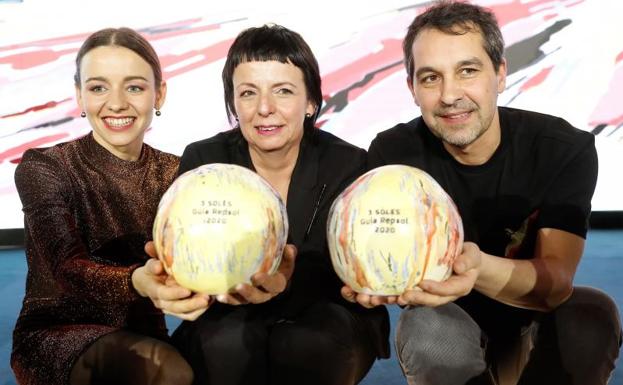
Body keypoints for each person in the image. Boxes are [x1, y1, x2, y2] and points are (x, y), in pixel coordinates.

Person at [341, 1, 622, 384]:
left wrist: (474, 268)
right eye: (430, 78)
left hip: (534, 327)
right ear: (412, 89)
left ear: (500, 74)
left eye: (467, 71)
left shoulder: (561, 148)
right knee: (427, 330)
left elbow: (555, 285)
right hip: (448, 324)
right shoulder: (394, 156)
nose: (449, 94)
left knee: (592, 312)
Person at [142, 24, 390, 385]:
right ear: (233, 103)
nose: (264, 109)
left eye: (283, 91)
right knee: (224, 344)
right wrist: (175, 270)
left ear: (310, 102)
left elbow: (350, 270)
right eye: (248, 93)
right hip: (231, 308)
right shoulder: (206, 160)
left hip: (327, 310)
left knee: (307, 345)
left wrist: (286, 281)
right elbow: (190, 254)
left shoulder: (349, 164)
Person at [11, 27, 194, 385]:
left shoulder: (177, 174)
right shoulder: (45, 166)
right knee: (166, 372)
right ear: (80, 96)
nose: (116, 103)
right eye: (98, 87)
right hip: (58, 334)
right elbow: (67, 268)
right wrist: (137, 281)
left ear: (160, 94)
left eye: (135, 87)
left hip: (145, 337)